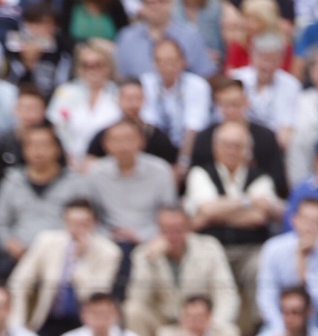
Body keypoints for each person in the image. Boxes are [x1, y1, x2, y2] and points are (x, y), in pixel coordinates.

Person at [184, 119, 282, 334]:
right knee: (200, 262)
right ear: (215, 147)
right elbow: (207, 208)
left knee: (261, 265)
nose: (231, 150)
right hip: (211, 247)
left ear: (247, 149)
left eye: (237, 145)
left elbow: (258, 217)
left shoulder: (261, 176)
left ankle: (262, 327)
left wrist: (214, 214)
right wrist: (247, 201)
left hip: (250, 249)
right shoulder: (200, 173)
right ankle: (208, 330)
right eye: (226, 145)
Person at [7, 197, 121, 336]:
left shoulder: (109, 252)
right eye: (72, 223)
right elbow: (18, 281)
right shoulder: (46, 241)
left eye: (83, 224)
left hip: (85, 322)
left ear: (94, 223)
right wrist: (18, 325)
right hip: (48, 318)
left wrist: (80, 261)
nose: (77, 229)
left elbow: (98, 297)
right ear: (64, 222)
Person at [123, 205, 239, 336]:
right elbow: (137, 299)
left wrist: (214, 325)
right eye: (166, 230)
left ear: (188, 227)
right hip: (162, 323)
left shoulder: (209, 248)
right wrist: (150, 262)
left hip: (200, 322)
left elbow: (226, 294)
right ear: (158, 229)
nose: (172, 236)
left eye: (178, 230)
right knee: (131, 310)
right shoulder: (143, 254)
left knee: (226, 328)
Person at [0, 123, 90, 279]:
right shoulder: (12, 181)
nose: (38, 151)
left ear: (57, 149)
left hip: (63, 253)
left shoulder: (75, 183)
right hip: (20, 252)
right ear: (24, 150)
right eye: (32, 145)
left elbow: (88, 221)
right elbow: (0, 221)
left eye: (44, 145)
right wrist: (9, 242)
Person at [256, 195, 318, 334]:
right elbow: (266, 295)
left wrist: (301, 257)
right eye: (306, 220)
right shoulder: (272, 248)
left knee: (311, 324)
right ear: (294, 220)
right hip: (279, 317)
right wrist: (279, 327)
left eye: (317, 222)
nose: (310, 227)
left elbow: (314, 299)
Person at [86, 118, 178, 254]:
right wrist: (110, 235)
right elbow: (91, 213)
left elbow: (169, 211)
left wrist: (142, 236)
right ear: (105, 145)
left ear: (142, 142)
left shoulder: (160, 170)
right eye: (116, 140)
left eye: (128, 139)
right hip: (108, 239)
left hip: (151, 237)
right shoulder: (97, 172)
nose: (123, 146)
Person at [189, 77, 284, 196]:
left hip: (257, 197)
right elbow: (196, 173)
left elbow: (277, 179)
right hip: (213, 197)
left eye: (235, 105)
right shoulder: (205, 138)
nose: (230, 110)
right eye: (225, 105)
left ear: (247, 102)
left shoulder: (265, 138)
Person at [139, 37, 210, 177]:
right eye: (161, 61)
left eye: (172, 61)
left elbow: (193, 127)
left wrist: (182, 163)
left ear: (183, 61)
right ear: (154, 64)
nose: (167, 67)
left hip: (189, 148)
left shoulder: (197, 85)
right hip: (156, 147)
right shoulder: (146, 83)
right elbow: (148, 123)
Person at [46, 40, 120, 166]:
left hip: (110, 163)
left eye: (98, 65)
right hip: (70, 163)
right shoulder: (65, 92)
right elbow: (56, 127)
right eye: (86, 65)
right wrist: (68, 158)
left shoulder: (118, 94)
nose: (93, 70)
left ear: (108, 66)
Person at [231, 32, 300, 150]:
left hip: (274, 145)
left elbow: (287, 127)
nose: (267, 66)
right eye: (263, 59)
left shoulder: (291, 85)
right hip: (239, 140)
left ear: (281, 60)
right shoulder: (236, 79)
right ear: (253, 57)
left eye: (273, 60)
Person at [115, 0, 215, 79]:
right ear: (142, 5)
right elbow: (122, 78)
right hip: (139, 97)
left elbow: (204, 75)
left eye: (161, 1)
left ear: (171, 3)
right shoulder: (127, 38)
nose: (155, 6)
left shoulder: (190, 36)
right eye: (149, 3)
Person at [141, 293, 248, 336]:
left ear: (209, 318)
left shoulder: (226, 333)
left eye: (199, 318)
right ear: (182, 318)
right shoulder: (168, 334)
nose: (193, 323)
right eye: (189, 317)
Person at [0, 84, 50, 194]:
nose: (29, 114)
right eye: (25, 108)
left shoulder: (53, 143)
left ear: (44, 111)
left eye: (34, 108)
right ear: (15, 110)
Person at [52, 291, 147, 336]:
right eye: (95, 313)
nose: (100, 318)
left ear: (117, 314)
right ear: (83, 315)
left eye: (105, 313)